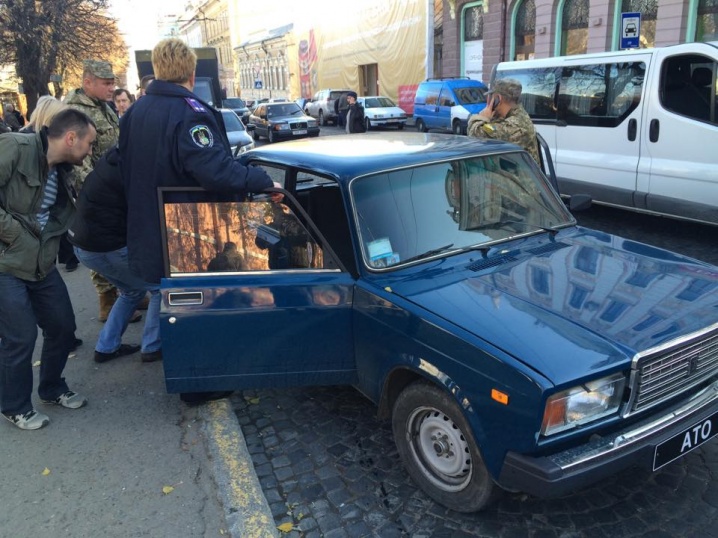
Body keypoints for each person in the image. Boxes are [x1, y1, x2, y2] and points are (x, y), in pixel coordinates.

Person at [119, 38, 279, 402]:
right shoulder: (189, 112)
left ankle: (189, 377)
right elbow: (215, 171)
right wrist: (259, 180)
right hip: (187, 226)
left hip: (153, 225)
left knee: (179, 304)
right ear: (191, 73)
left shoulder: (135, 112)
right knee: (199, 308)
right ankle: (197, 386)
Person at [0, 108, 96, 430]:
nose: (90, 151)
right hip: (5, 263)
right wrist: (15, 234)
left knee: (63, 327)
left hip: (41, 263)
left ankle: (52, 388)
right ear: (71, 138)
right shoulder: (15, 147)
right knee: (20, 337)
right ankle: (15, 406)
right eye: (89, 143)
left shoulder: (64, 171)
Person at [68, 146, 161, 364]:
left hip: (83, 246)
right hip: (106, 248)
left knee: (132, 291)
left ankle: (106, 347)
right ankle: (152, 346)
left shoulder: (111, 163)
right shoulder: (132, 173)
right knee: (160, 288)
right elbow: (145, 215)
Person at [65, 59, 141, 324]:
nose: (111, 88)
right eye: (106, 83)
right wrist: (93, 190)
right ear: (88, 82)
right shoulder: (75, 111)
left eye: (112, 83)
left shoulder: (102, 106)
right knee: (99, 240)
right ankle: (107, 300)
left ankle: (128, 290)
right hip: (96, 190)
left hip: (112, 185)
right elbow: (77, 159)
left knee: (118, 238)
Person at [21, 96, 81, 274]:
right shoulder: (23, 145)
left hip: (47, 224)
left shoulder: (54, 145)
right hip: (26, 231)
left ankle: (67, 258)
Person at [467, 78, 539, 163]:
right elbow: (492, 128)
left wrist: (482, 117)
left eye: (491, 97)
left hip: (519, 171)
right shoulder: (513, 115)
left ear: (498, 98)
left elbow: (475, 135)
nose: (489, 101)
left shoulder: (514, 125)